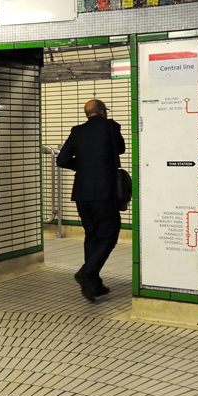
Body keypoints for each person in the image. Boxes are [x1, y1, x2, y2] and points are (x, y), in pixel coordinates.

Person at [56, 98, 125, 302]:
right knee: (109, 235)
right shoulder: (110, 127)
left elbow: (62, 160)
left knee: (92, 236)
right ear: (103, 112)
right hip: (104, 193)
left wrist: (85, 166)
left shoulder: (77, 131)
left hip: (82, 194)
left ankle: (94, 285)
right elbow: (120, 150)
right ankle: (86, 272)